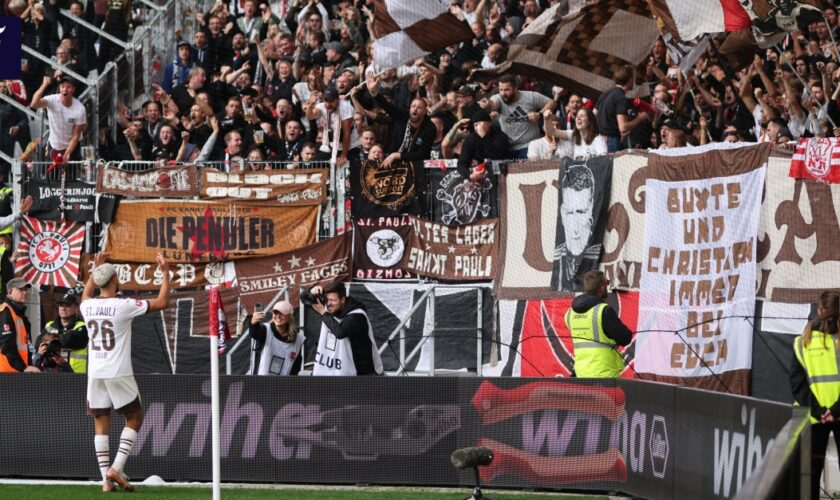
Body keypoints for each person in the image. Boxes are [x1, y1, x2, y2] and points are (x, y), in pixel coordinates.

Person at [80, 251, 171, 492]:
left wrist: (95, 269)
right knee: (134, 418)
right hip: (117, 369)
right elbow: (162, 302)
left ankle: (105, 482)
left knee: (101, 422)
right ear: (114, 281)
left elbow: (85, 294)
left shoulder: (87, 306)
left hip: (96, 370)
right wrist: (165, 273)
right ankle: (116, 468)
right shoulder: (123, 305)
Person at [790, 290, 840, 500]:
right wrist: (834, 411)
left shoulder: (802, 342)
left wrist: (819, 411)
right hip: (837, 414)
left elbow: (797, 384)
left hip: (812, 417)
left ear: (819, 310)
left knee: (809, 477)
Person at [563, 271, 632, 378]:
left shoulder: (569, 313)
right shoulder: (603, 311)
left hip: (580, 374)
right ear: (601, 288)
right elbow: (625, 338)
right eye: (607, 283)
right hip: (605, 376)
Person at [309, 283, 383, 376]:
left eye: (332, 300)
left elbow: (340, 332)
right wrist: (312, 291)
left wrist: (323, 313)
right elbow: (304, 299)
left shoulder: (357, 315)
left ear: (343, 299)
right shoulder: (331, 309)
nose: (328, 304)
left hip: (361, 373)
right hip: (333, 368)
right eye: (327, 300)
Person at [481, 74, 556, 159]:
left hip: (529, 146)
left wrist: (540, 114)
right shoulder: (498, 98)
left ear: (515, 88)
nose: (503, 93)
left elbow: (552, 102)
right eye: (501, 90)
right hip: (508, 148)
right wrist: (487, 104)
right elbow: (493, 104)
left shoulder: (530, 96)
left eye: (507, 90)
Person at [553, 164, 601, 291]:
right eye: (569, 213)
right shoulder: (557, 259)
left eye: (581, 212)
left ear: (592, 210)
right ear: (562, 213)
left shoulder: (600, 253)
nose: (575, 227)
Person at [30, 75, 87, 164]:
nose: (65, 89)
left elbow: (76, 136)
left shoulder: (80, 109)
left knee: (72, 176)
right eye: (62, 86)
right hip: (54, 145)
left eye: (68, 87)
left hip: (72, 147)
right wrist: (44, 85)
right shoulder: (52, 99)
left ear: (73, 89)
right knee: (52, 176)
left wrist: (66, 155)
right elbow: (34, 104)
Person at [594, 65, 648, 153]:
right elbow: (623, 127)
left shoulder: (605, 94)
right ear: (630, 79)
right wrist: (640, 118)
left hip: (598, 141)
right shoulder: (621, 97)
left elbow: (592, 116)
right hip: (611, 142)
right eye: (633, 79)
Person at [38, 291, 88, 374]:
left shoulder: (82, 326)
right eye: (61, 305)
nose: (63, 308)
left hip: (75, 375)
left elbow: (68, 340)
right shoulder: (49, 325)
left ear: (76, 308)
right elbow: (37, 343)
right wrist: (59, 340)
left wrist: (49, 340)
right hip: (51, 373)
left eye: (67, 305)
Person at [249, 301, 304, 376]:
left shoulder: (298, 339)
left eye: (281, 313)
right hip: (260, 383)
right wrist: (253, 323)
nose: (277, 316)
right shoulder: (265, 329)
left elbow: (296, 367)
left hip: (282, 385)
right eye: (275, 313)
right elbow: (254, 332)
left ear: (289, 316)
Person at [456, 110, 511, 180]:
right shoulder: (471, 139)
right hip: (480, 174)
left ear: (489, 123)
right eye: (475, 125)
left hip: (500, 174)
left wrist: (484, 136)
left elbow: (494, 157)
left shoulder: (501, 136)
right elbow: (461, 163)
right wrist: (470, 175)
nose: (477, 127)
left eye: (479, 124)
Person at [0, 278, 39, 373]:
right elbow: (7, 346)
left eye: (26, 290)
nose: (25, 293)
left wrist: (28, 366)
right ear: (10, 291)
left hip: (18, 371)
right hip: (7, 372)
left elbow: (27, 345)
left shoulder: (19, 313)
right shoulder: (5, 312)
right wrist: (23, 368)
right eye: (20, 289)